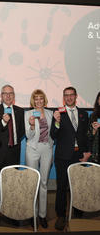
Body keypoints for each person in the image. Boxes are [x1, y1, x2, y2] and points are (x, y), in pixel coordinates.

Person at [50, 86, 91, 231]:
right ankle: (61, 216)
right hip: (62, 156)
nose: (68, 97)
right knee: (62, 187)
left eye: (71, 95)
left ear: (76, 96)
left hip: (79, 155)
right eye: (66, 95)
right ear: (63, 97)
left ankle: (77, 213)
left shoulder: (84, 113)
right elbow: (53, 135)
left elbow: (86, 135)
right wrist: (56, 122)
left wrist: (88, 152)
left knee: (78, 185)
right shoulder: (58, 113)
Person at [0, 84, 25, 225]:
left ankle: (12, 215)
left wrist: (16, 142)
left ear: (14, 96)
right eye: (5, 93)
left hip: (14, 152)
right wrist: (3, 123)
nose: (8, 96)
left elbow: (22, 130)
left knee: (12, 184)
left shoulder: (19, 111)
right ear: (0, 96)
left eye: (11, 93)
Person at [25, 89, 54, 228]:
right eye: (36, 99)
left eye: (41, 98)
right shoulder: (28, 114)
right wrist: (31, 125)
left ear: (44, 100)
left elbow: (53, 134)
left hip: (47, 149)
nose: (38, 101)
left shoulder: (50, 113)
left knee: (43, 182)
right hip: (32, 149)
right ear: (33, 100)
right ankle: (32, 213)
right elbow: (28, 136)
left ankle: (42, 215)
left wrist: (51, 151)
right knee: (33, 182)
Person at [87, 91, 100, 163]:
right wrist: (94, 131)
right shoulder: (93, 116)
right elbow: (89, 137)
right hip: (96, 154)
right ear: (98, 101)